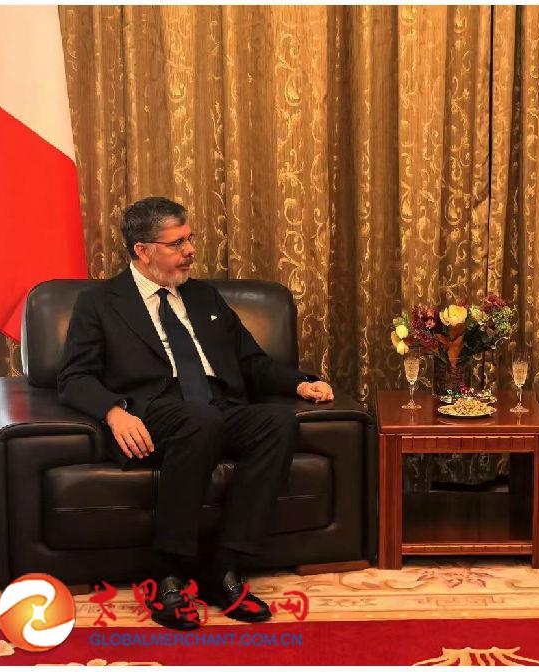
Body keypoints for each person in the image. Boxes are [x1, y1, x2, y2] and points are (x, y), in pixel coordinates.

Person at [57, 196, 334, 630]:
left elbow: (251, 362)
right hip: (152, 412)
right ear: (142, 250)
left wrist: (299, 383)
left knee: (277, 422)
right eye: (177, 243)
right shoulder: (100, 302)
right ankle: (166, 573)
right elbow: (74, 377)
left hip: (218, 405)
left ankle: (222, 567)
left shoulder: (204, 296)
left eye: (190, 239)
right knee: (198, 420)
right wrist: (113, 412)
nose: (190, 251)